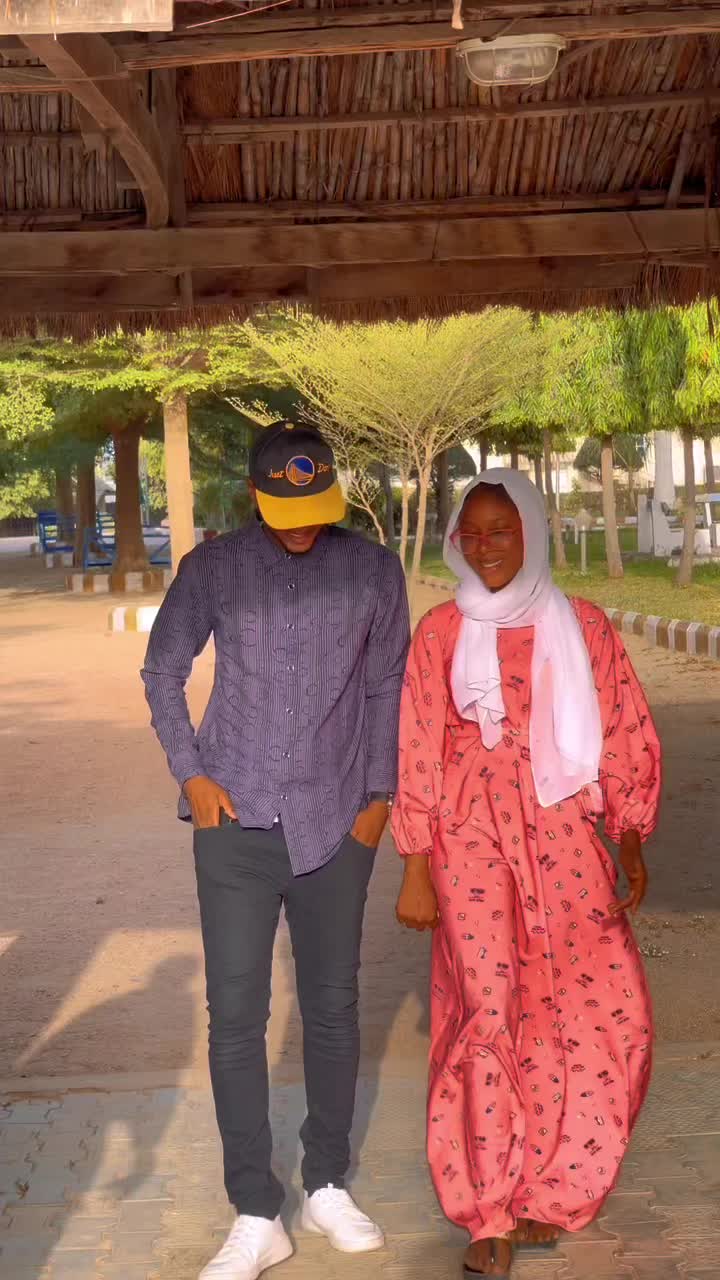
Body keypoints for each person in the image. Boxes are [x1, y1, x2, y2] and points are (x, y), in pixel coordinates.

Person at [142, 422, 410, 1280]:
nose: (303, 527)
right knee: (235, 1016)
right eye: (286, 511)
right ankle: (257, 1211)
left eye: (316, 507)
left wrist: (379, 798)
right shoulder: (214, 570)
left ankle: (327, 1182)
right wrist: (191, 775)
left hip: (338, 822)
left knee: (332, 1007)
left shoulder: (372, 570)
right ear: (255, 495)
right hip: (236, 823)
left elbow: (387, 685)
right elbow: (161, 668)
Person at [392, 470, 660, 1279]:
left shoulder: (585, 626)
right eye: (470, 534)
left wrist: (631, 836)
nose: (485, 547)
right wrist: (414, 866)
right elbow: (417, 748)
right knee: (487, 1009)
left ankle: (555, 1187)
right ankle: (488, 1211)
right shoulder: (441, 632)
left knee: (594, 1006)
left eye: (500, 530)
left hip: (565, 838)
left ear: (533, 532)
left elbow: (621, 731)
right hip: (468, 841)